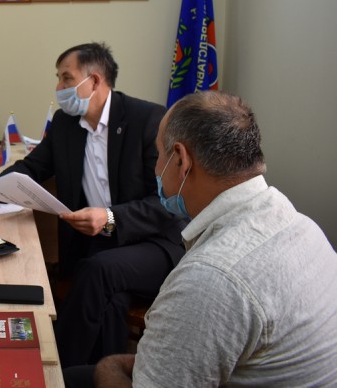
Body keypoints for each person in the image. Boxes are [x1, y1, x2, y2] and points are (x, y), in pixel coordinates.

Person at [90, 91, 337, 387]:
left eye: (159, 156)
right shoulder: (303, 226)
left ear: (181, 159)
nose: (156, 169)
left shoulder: (210, 279)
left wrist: (107, 366)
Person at [0, 42, 188, 367]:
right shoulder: (65, 124)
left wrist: (110, 217)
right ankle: (98, 375)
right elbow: (35, 166)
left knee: (98, 271)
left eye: (66, 78)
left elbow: (168, 201)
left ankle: (56, 367)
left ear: (93, 81)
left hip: (154, 243)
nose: (59, 87)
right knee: (111, 300)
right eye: (58, 78)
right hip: (99, 246)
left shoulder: (147, 119)